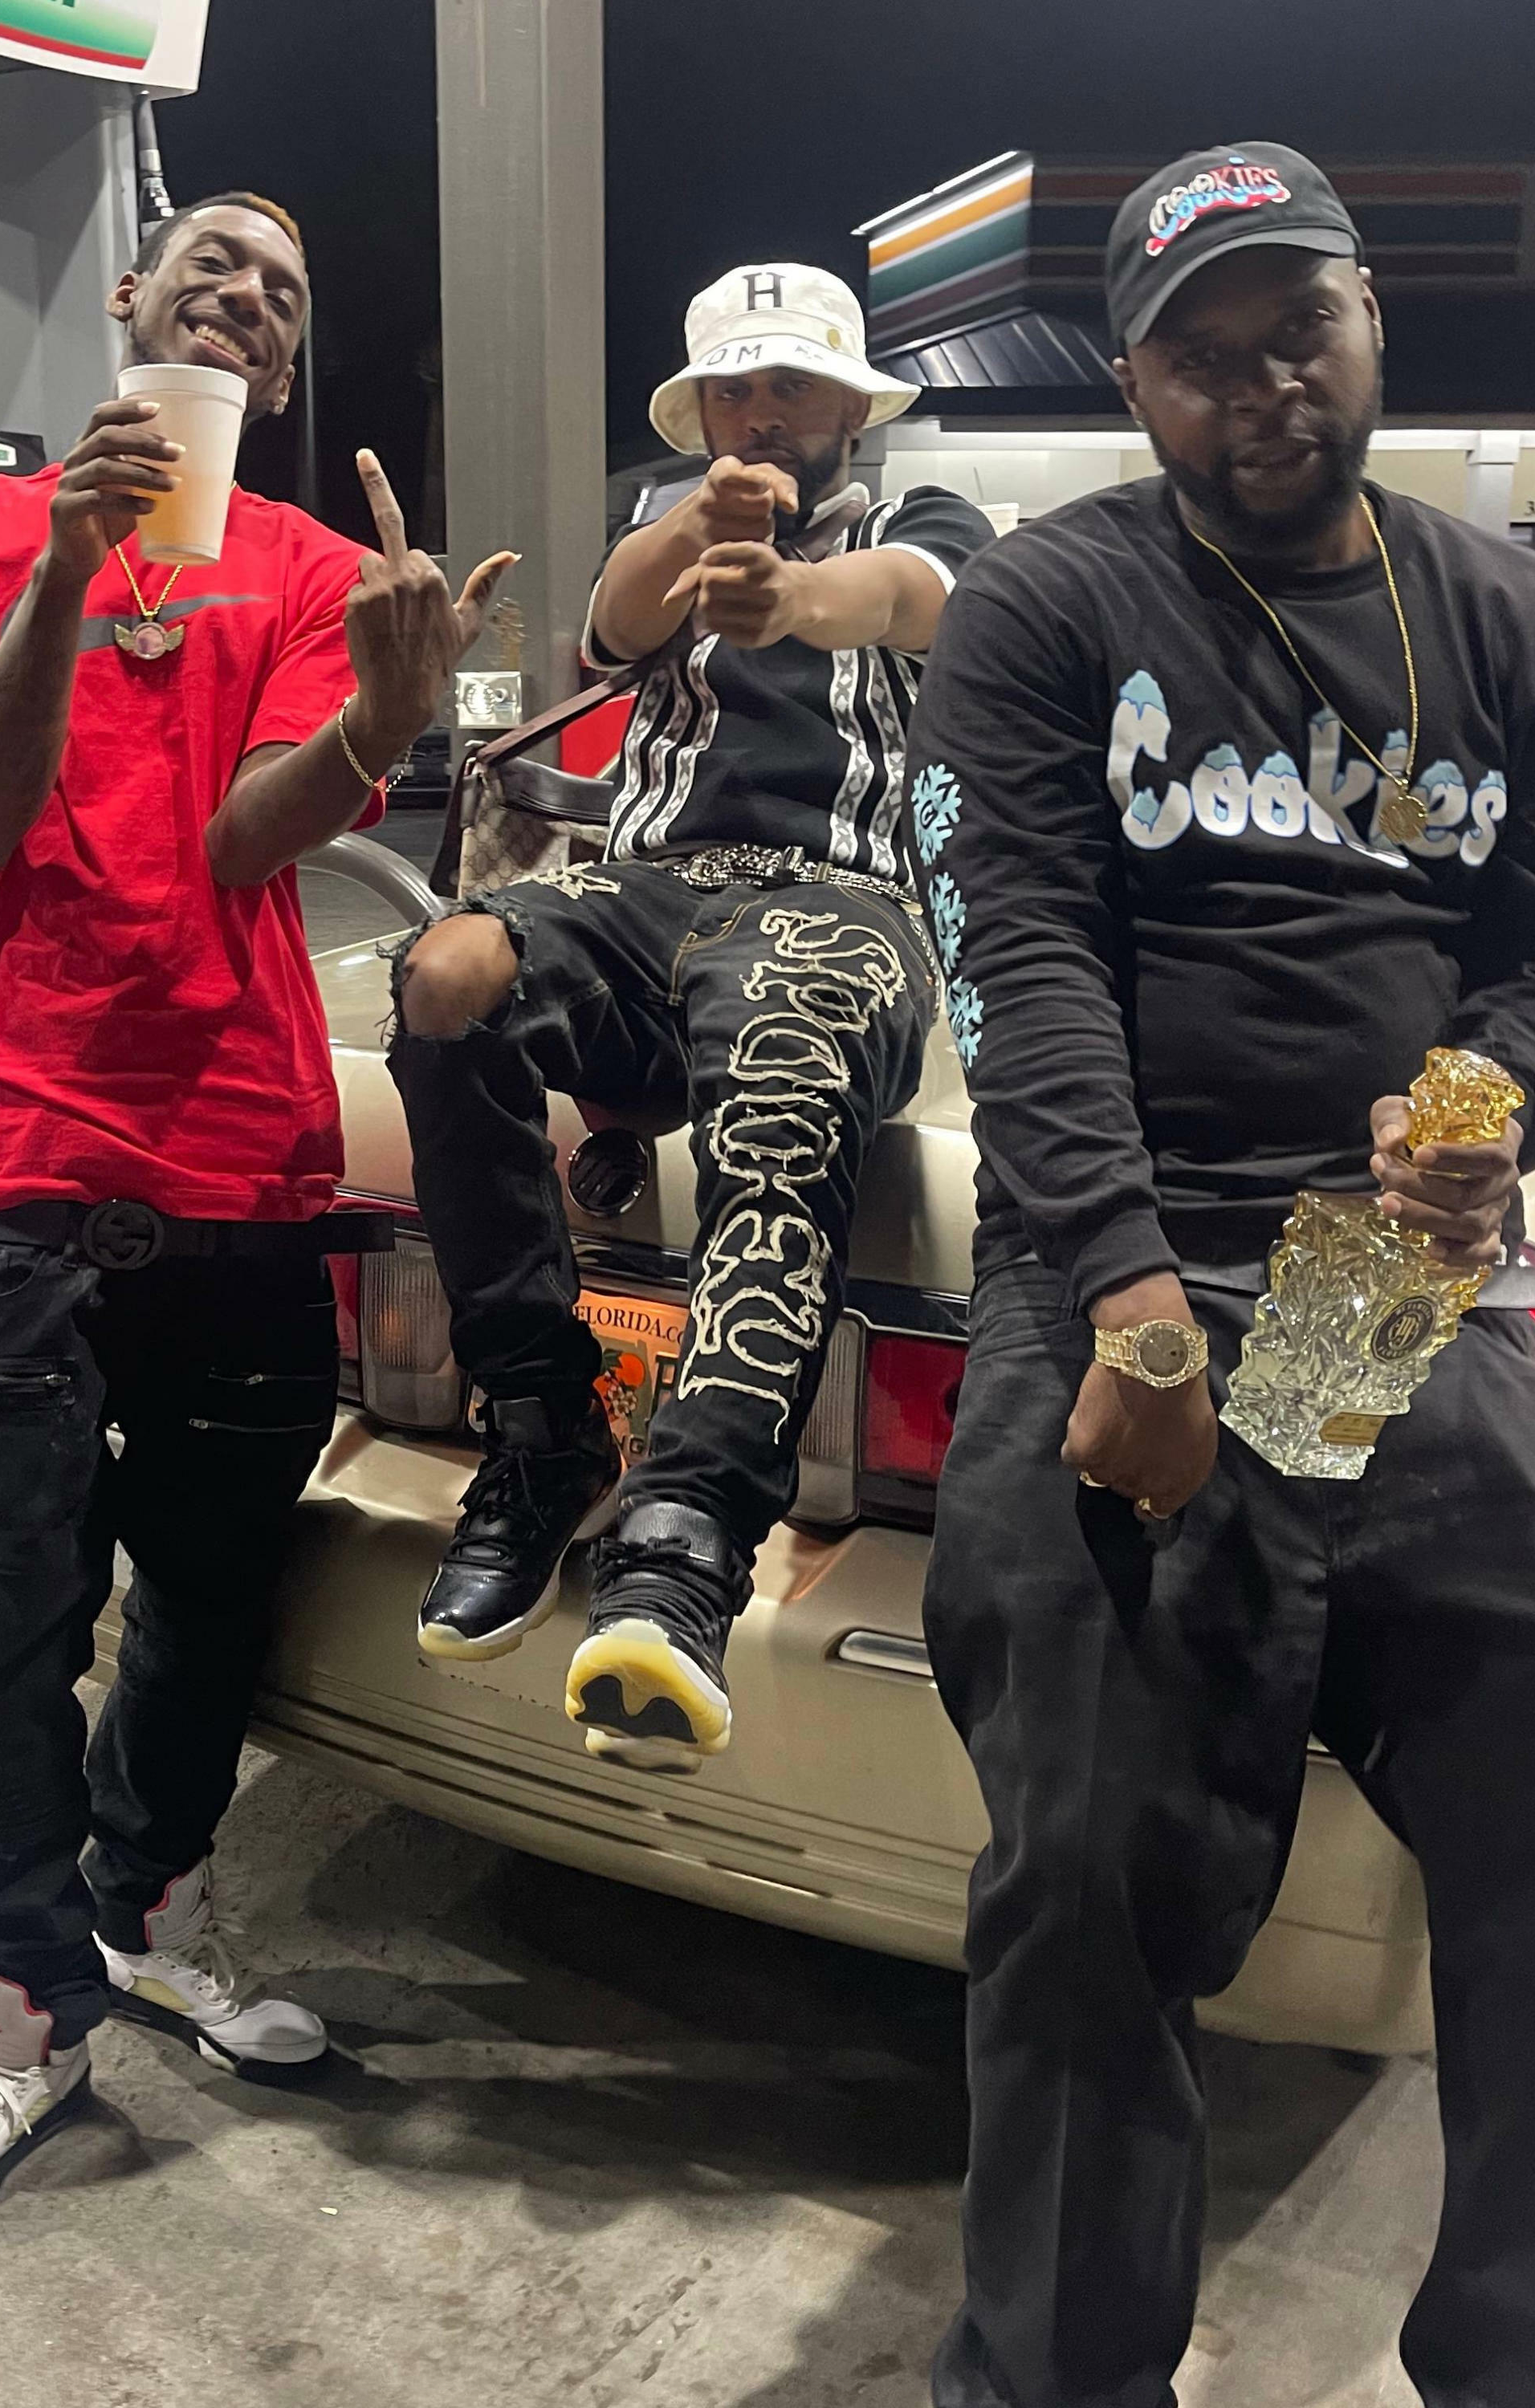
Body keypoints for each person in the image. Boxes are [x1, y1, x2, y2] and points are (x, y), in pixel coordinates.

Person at [906, 144, 1535, 2407]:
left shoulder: (1518, 624)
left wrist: (1481, 1114)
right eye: (1202, 358)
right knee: (1091, 1880)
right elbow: (1021, 961)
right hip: (1125, 1257)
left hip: (1372, 1276)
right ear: (1135, 386)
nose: (1261, 389)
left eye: (1297, 331)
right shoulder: (1046, 608)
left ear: (1370, 319)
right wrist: (1133, 1308)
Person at [0, 190, 514, 2270]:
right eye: (213, 260)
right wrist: (68, 568)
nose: (246, 297)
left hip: (240, 1154)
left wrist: (383, 723)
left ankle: (142, 1912)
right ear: (133, 291)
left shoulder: (309, 572)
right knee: (0, 1624)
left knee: (213, 1601)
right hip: (17, 1160)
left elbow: (238, 842)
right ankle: (23, 2020)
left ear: (286, 366)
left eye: (285, 292)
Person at [389, 264, 991, 1773]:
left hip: (839, 899)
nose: (764, 411)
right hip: (647, 892)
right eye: (736, 386)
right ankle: (545, 1434)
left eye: (794, 384)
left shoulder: (925, 516)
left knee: (783, 1053)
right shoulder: (669, 521)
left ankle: (687, 1540)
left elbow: (911, 601)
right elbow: (614, 617)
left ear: (853, 404)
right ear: (702, 410)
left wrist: (794, 595)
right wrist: (701, 529)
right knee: (445, 975)